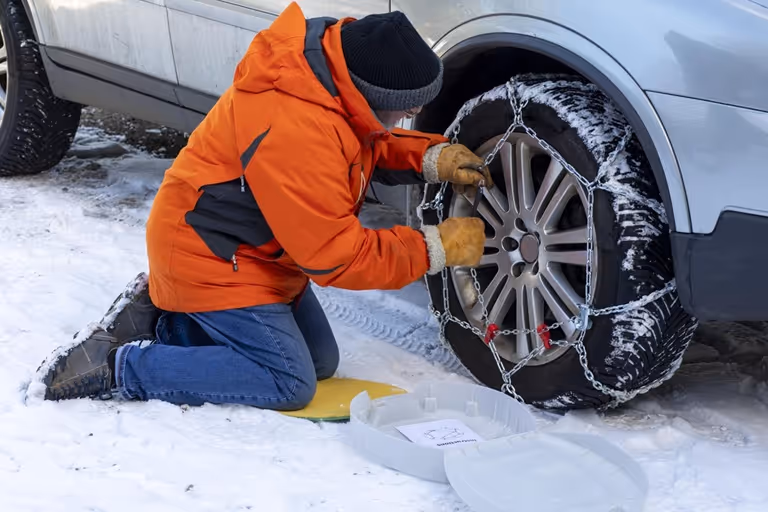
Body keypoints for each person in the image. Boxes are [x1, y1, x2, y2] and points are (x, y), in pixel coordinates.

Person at [41, 2, 492, 409]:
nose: (408, 117)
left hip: (258, 253)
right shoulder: (296, 129)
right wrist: (435, 247)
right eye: (404, 109)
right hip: (210, 257)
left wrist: (429, 157)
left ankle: (166, 321)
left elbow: (362, 139)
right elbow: (337, 257)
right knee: (288, 381)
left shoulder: (328, 78)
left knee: (321, 361)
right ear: (370, 95)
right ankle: (119, 366)